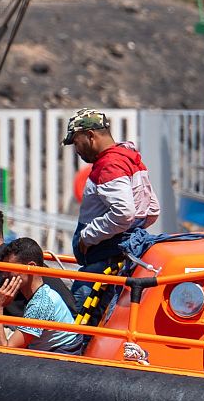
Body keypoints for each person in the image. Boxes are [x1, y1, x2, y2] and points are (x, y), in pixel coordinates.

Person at [66, 109, 161, 321]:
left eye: (76, 142)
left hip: (101, 264)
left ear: (90, 135)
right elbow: (152, 209)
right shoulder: (129, 159)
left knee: (76, 327)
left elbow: (123, 213)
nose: (77, 150)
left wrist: (87, 236)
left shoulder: (109, 164)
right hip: (114, 260)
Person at [0, 238, 83, 354]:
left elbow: (4, 351)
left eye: (9, 269)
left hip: (57, 363)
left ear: (31, 267)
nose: (4, 275)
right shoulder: (43, 294)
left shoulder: (40, 304)